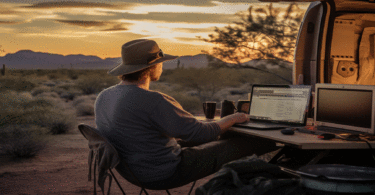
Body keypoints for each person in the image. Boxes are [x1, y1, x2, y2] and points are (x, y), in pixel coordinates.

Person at [94, 39, 277, 189]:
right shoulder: (152, 100)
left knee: (223, 137)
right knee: (254, 142)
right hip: (164, 172)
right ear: (151, 68)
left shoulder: (104, 96)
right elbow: (200, 133)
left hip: (132, 171)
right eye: (161, 63)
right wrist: (237, 117)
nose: (162, 67)